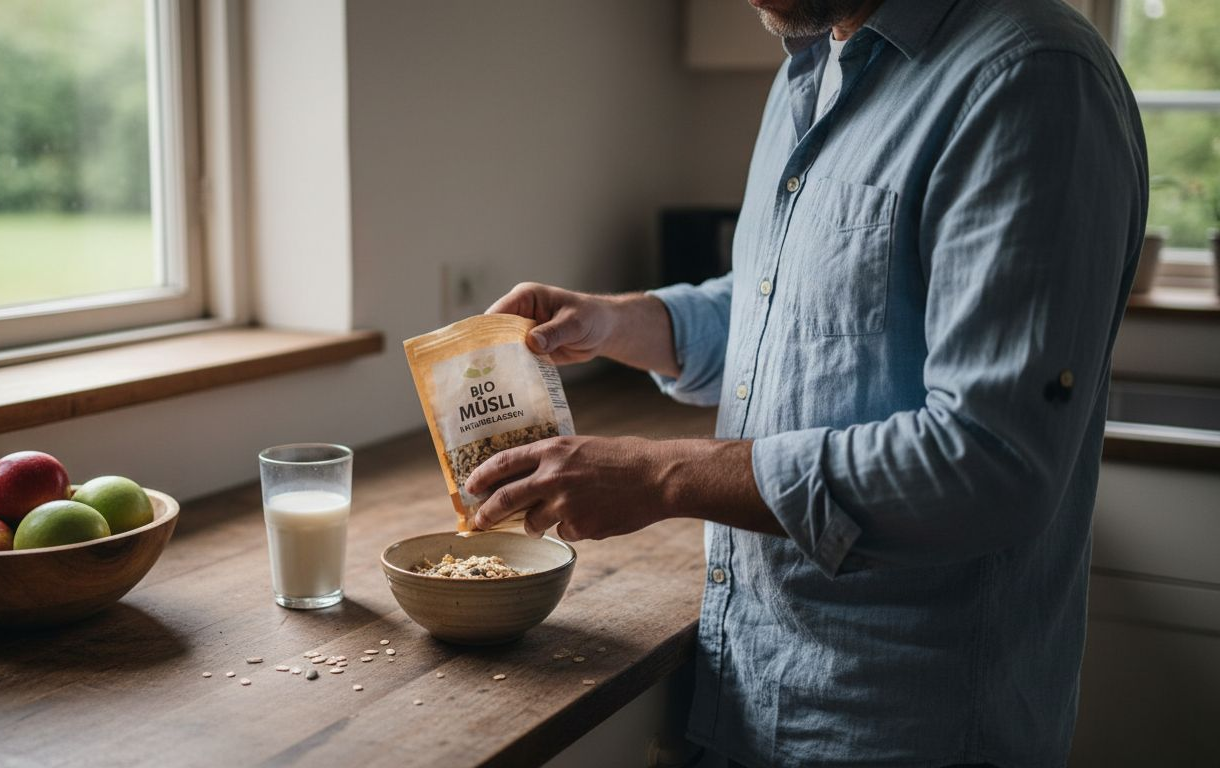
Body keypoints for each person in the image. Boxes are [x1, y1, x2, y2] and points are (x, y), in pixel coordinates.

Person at [464, 0, 1148, 765]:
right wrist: (615, 322)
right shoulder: (814, 62)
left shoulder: (1030, 78)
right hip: (752, 692)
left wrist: (660, 475)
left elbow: (987, 461)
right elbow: (789, 312)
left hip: (907, 726)